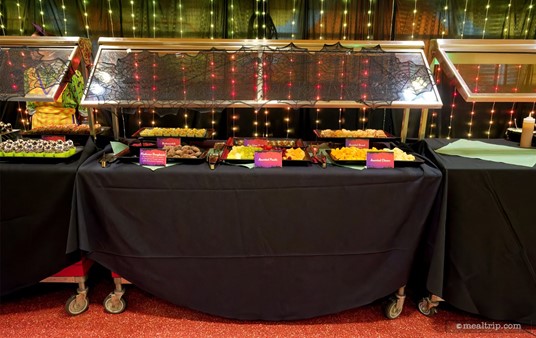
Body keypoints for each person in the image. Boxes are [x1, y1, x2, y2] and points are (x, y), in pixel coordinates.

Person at [25, 24, 88, 129]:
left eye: (36, 46)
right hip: (37, 130)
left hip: (66, 130)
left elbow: (84, 109)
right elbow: (30, 107)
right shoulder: (29, 74)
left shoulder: (72, 74)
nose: (32, 50)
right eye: (30, 47)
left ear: (51, 49)